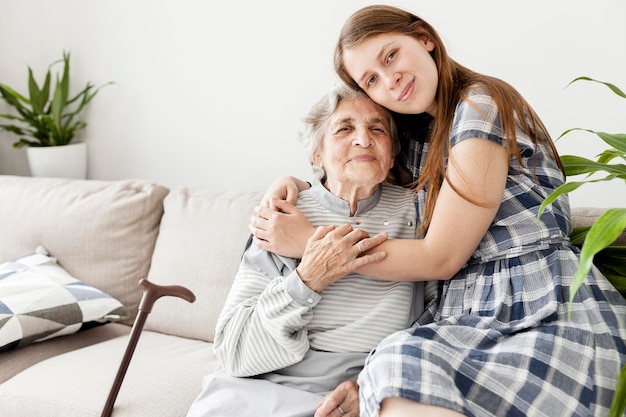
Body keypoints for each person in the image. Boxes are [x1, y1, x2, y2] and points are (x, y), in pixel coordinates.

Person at [250, 5, 626, 417]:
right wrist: (295, 185)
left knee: (396, 364)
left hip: (535, 301)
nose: (389, 80)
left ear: (425, 38)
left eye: (390, 55)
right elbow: (352, 163)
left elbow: (441, 257)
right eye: (371, 79)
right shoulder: (418, 137)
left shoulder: (481, 105)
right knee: (391, 366)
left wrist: (309, 243)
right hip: (463, 313)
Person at [186, 84, 433, 417]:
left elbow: (440, 326)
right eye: (344, 129)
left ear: (392, 156)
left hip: (357, 388)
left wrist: (378, 384)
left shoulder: (420, 215)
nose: (362, 139)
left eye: (377, 129)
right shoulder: (283, 212)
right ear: (317, 154)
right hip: (260, 386)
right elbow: (235, 351)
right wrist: (306, 280)